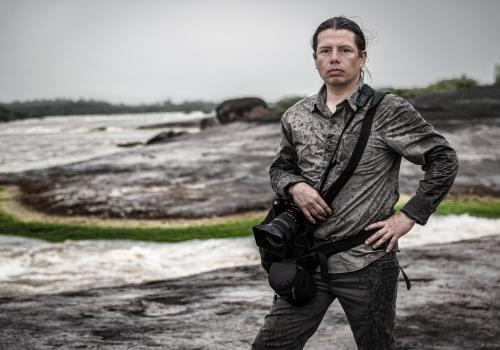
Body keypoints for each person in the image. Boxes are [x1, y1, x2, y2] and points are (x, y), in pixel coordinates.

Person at [252, 16, 458, 349]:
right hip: (307, 261)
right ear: (315, 59)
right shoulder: (296, 115)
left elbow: (444, 159)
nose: (334, 57)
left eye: (345, 50)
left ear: (362, 58)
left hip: (368, 261)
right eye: (325, 50)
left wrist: (409, 216)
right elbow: (280, 167)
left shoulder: (390, 111)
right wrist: (294, 186)